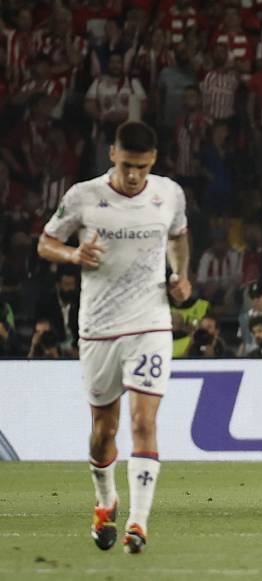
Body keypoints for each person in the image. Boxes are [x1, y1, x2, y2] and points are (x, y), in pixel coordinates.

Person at [37, 121, 191, 552]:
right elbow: (45, 243)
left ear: (153, 161)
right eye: (126, 166)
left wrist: (181, 276)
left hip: (151, 322)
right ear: (112, 155)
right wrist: (73, 254)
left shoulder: (169, 194)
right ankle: (106, 500)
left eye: (141, 167)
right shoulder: (83, 196)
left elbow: (179, 237)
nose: (134, 175)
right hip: (99, 328)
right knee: (104, 430)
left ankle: (138, 524)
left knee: (143, 423)